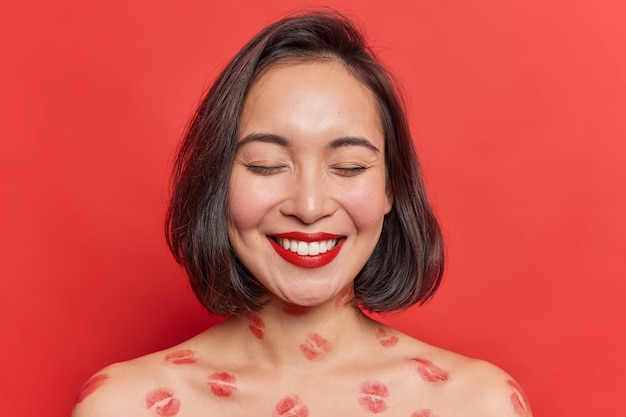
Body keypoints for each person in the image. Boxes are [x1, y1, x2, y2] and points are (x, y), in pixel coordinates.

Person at [72, 11, 532, 417]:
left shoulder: (477, 404)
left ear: (391, 187)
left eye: (348, 167)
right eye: (266, 165)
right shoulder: (123, 406)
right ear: (218, 181)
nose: (309, 207)